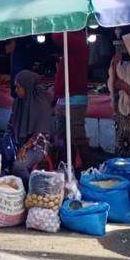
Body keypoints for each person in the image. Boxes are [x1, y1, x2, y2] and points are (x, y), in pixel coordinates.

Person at [5, 70, 54, 184]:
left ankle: (31, 189)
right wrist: (7, 141)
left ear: (27, 86)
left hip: (37, 146)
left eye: (18, 87)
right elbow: (11, 125)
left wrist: (25, 147)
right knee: (1, 159)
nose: (16, 90)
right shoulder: (18, 103)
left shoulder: (42, 105)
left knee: (18, 165)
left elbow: (41, 134)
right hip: (19, 143)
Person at [51, 31, 89, 168]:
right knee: (61, 137)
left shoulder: (78, 41)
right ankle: (66, 165)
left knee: (77, 137)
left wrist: (59, 23)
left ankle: (84, 167)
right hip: (63, 99)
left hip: (75, 99)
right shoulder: (68, 49)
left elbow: (57, 36)